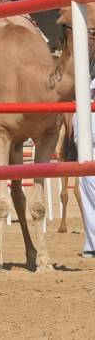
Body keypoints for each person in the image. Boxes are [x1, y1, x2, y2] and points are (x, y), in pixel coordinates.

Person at [74, 78, 95, 258]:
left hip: (87, 152)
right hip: (88, 153)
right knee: (89, 200)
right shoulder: (84, 107)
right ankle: (91, 243)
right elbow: (78, 136)